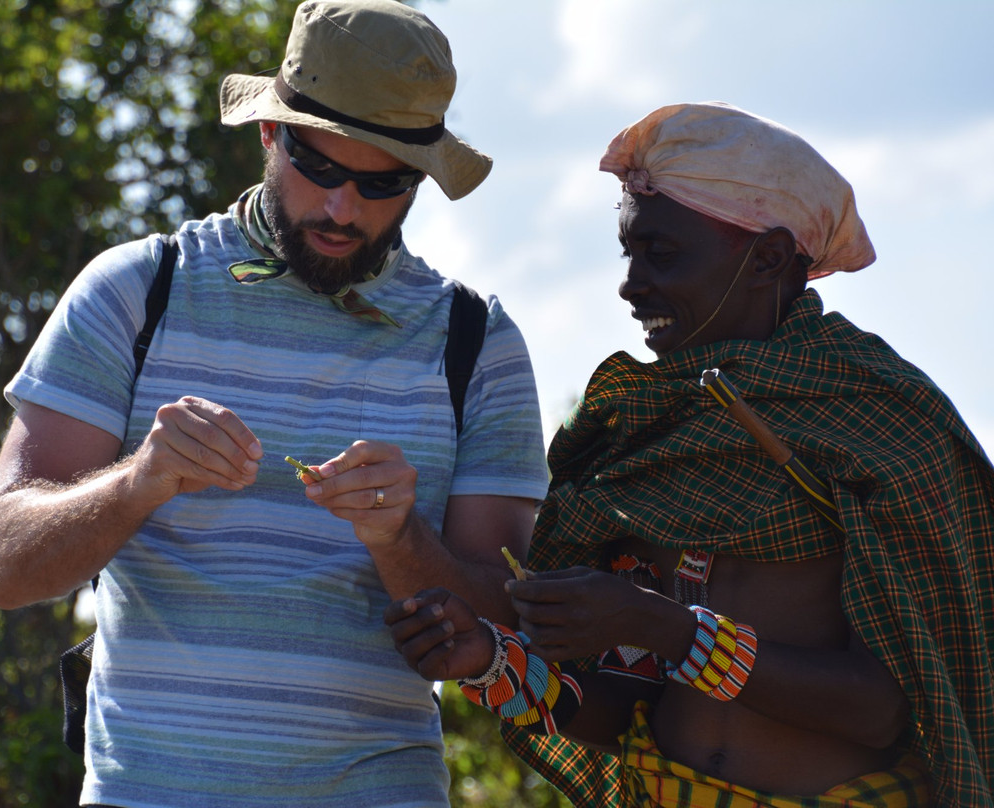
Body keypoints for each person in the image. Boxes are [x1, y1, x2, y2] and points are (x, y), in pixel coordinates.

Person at [0, 1, 550, 806]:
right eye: (319, 169)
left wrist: (402, 539)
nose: (343, 209)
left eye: (380, 183)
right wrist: (138, 480)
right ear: (269, 136)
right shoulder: (138, 291)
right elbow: (5, 565)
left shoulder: (476, 344)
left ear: (420, 179)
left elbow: (511, 628)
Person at [385, 102, 994, 807]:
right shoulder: (642, 432)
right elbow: (626, 709)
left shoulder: (878, 423)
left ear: (767, 258)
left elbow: (887, 707)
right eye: (630, 253)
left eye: (662, 255)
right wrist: (493, 661)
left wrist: (664, 626)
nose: (631, 283)